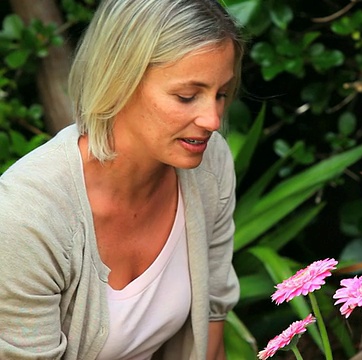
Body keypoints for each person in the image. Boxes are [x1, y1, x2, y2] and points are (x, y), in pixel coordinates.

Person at [0, 0, 244, 358]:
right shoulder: (25, 218)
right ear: (118, 80)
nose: (213, 119)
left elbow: (212, 314)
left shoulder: (210, 163)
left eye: (221, 94)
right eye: (187, 96)